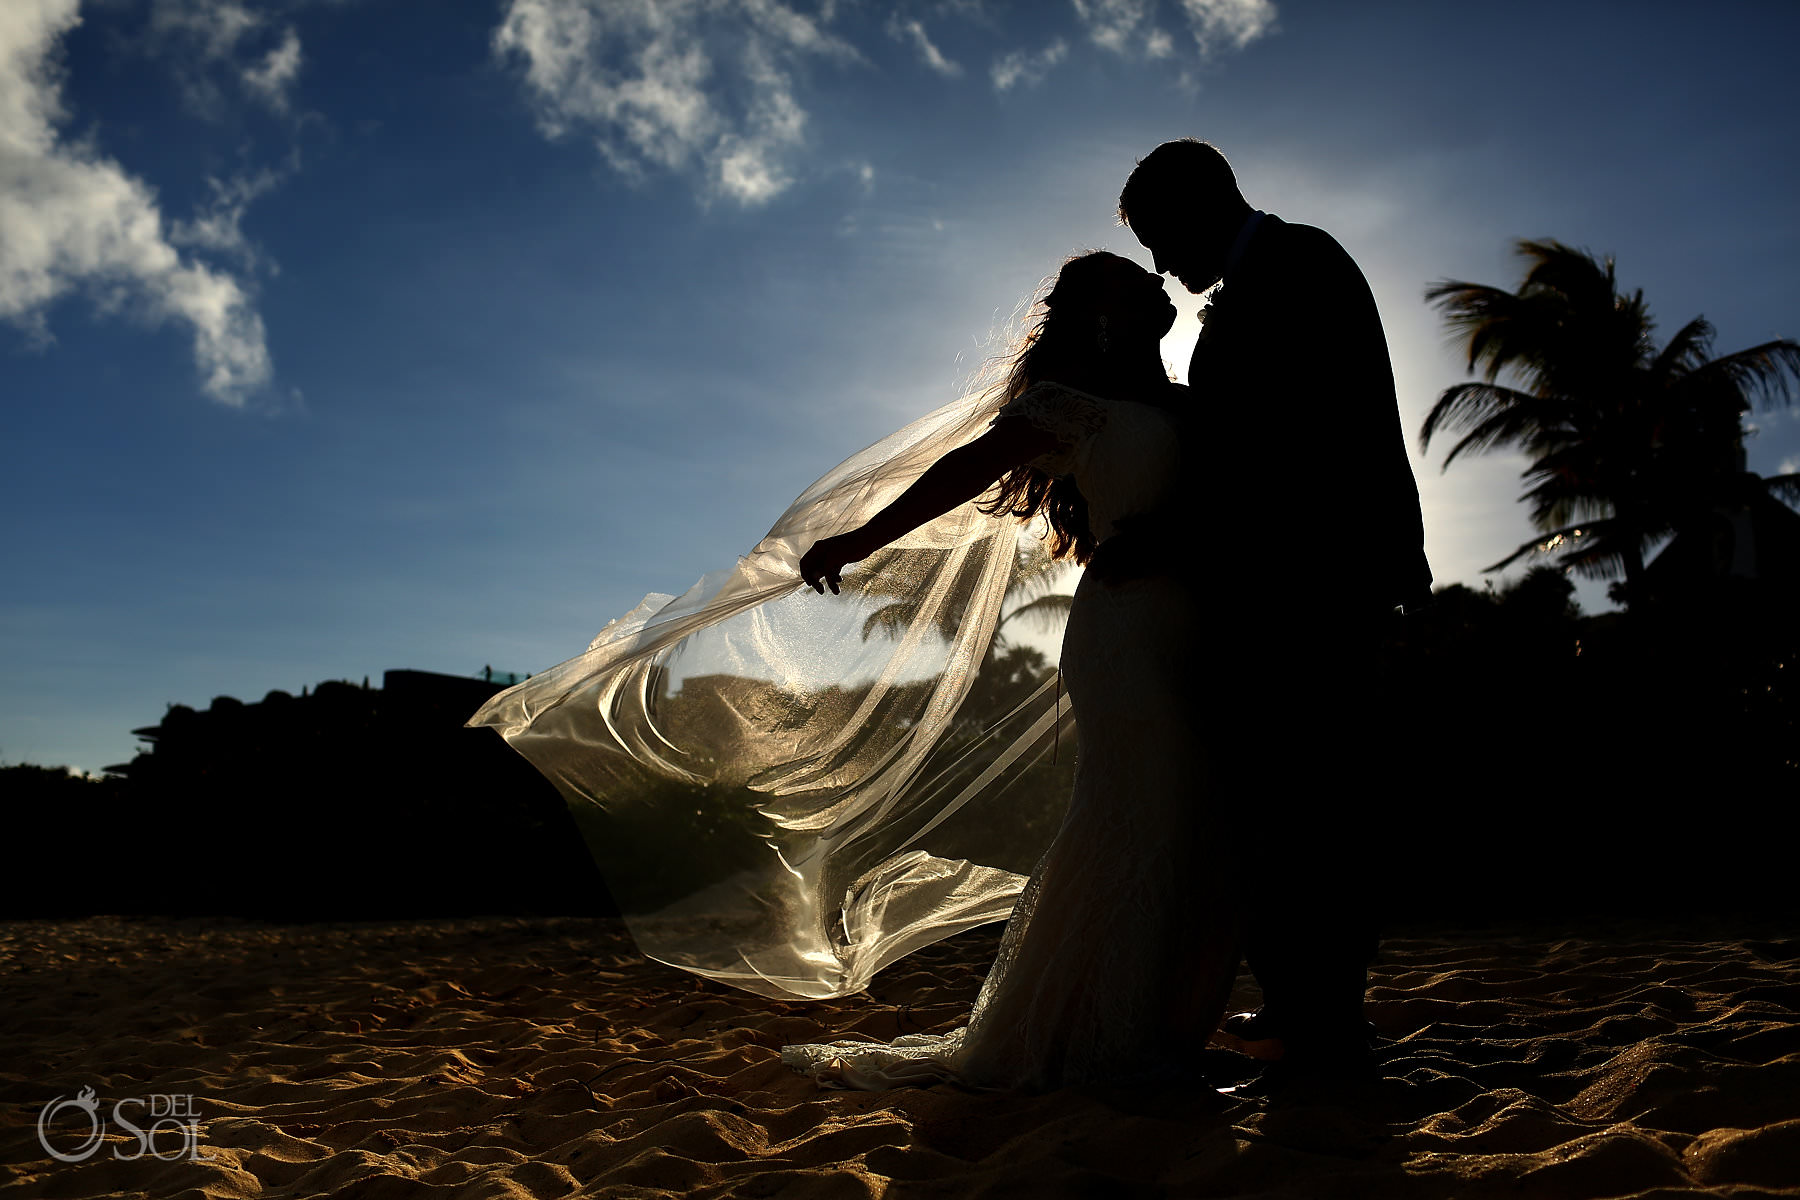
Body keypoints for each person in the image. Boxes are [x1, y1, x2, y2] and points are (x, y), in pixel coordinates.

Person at [781, 249, 1245, 1092]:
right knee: (1143, 815)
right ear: (1103, 317)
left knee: (1201, 824)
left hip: (1206, 630)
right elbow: (967, 469)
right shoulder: (1070, 404)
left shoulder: (1187, 399)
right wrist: (856, 541)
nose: (1153, 279)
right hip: (1128, 635)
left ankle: (1156, 1027)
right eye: (1129, 278)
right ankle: (1107, 1042)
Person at [1115, 139, 1432, 1079]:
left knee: (1308, 798)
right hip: (1288, 582)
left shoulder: (1303, 266)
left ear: (1201, 201)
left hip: (1315, 580)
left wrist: (1171, 542)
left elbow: (1297, 444)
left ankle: (1323, 1019)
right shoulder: (1257, 292)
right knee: (1285, 798)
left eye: (1160, 240)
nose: (1164, 269)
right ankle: (1308, 1003)